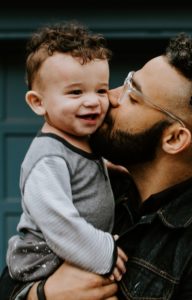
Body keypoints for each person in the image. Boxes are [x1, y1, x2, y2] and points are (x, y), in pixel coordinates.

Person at [0, 32, 192, 299]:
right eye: (124, 84)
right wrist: (41, 294)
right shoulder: (91, 183)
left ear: (174, 138)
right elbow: (14, 276)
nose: (108, 98)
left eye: (133, 96)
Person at [4, 21, 127, 286]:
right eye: (75, 92)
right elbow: (58, 221)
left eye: (101, 90)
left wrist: (107, 168)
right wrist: (104, 252)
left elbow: (80, 170)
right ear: (38, 103)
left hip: (73, 251)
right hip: (44, 259)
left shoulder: (81, 140)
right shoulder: (48, 159)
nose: (93, 100)